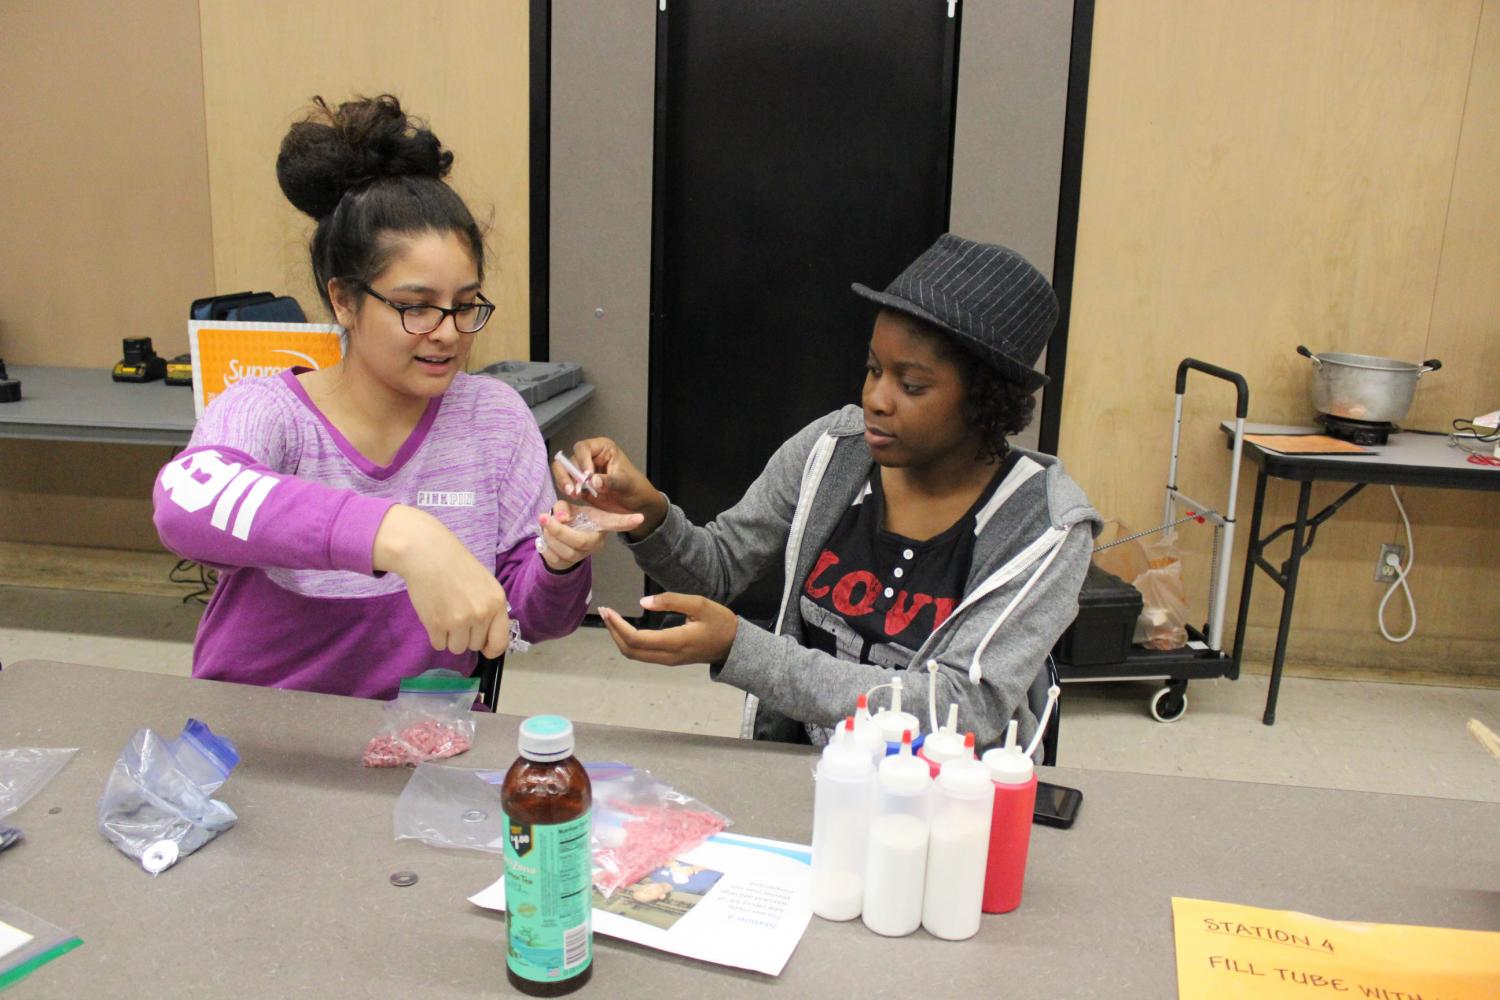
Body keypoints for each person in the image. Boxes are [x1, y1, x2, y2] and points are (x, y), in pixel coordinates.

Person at [153, 95, 638, 699]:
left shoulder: (493, 419)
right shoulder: (268, 412)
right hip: (262, 734)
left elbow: (529, 618)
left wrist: (559, 564)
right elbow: (183, 504)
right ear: (344, 300)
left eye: (465, 305)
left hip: (422, 738)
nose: (447, 332)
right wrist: (402, 534)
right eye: (414, 306)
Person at [561, 235, 1100, 751]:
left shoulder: (1044, 524)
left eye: (910, 385)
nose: (876, 399)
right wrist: (647, 511)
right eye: (872, 369)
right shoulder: (834, 450)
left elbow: (963, 707)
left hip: (946, 804)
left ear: (987, 403)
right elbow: (718, 568)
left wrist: (742, 650)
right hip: (809, 776)